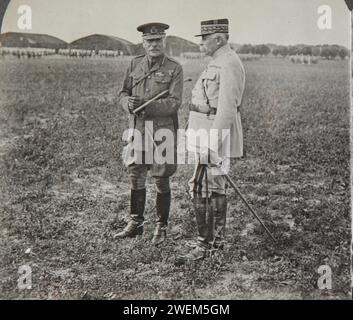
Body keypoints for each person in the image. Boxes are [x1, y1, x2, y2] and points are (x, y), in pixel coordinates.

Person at [182, 18, 246, 261]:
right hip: (205, 133)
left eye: (204, 39)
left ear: (219, 39)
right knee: (215, 187)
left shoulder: (229, 63)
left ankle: (203, 245)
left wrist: (212, 145)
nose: (201, 44)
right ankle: (216, 242)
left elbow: (227, 110)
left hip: (213, 138)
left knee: (200, 187)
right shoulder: (219, 61)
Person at [115, 22, 183, 245]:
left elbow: (174, 103)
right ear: (143, 43)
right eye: (150, 41)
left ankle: (161, 227)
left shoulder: (174, 68)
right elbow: (123, 92)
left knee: (161, 179)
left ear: (164, 41)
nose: (154, 44)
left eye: (158, 40)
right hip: (137, 129)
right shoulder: (134, 64)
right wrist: (128, 103)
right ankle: (136, 223)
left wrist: (146, 105)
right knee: (136, 176)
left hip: (162, 131)